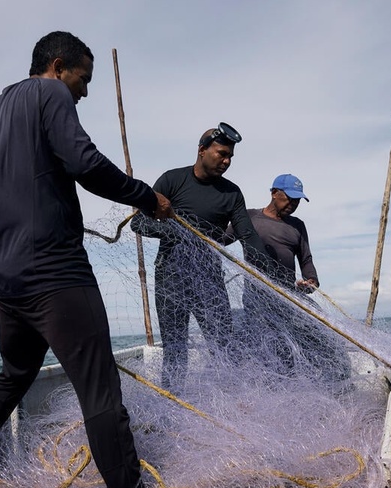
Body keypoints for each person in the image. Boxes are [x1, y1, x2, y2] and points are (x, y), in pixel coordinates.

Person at [0, 31, 171, 488]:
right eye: (83, 78)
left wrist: (16, 215)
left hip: (6, 273)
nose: (85, 91)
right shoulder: (50, 92)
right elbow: (84, 161)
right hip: (55, 270)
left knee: (15, 375)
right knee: (100, 392)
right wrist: (144, 197)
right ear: (57, 66)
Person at [130, 123, 268, 390]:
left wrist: (268, 273)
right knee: (175, 347)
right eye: (221, 154)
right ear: (202, 150)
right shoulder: (172, 180)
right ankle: (173, 404)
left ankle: (230, 400)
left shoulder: (232, 193)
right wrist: (179, 232)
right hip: (171, 275)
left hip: (209, 278)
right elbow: (139, 224)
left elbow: (248, 236)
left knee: (223, 344)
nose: (226, 161)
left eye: (230, 157)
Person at [233, 174, 351, 384]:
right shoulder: (249, 218)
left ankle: (301, 386)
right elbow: (219, 239)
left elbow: (306, 260)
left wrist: (311, 281)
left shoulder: (297, 225)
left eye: (297, 201)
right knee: (269, 347)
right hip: (257, 298)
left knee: (306, 344)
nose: (293, 204)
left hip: (288, 297)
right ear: (274, 193)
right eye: (289, 198)